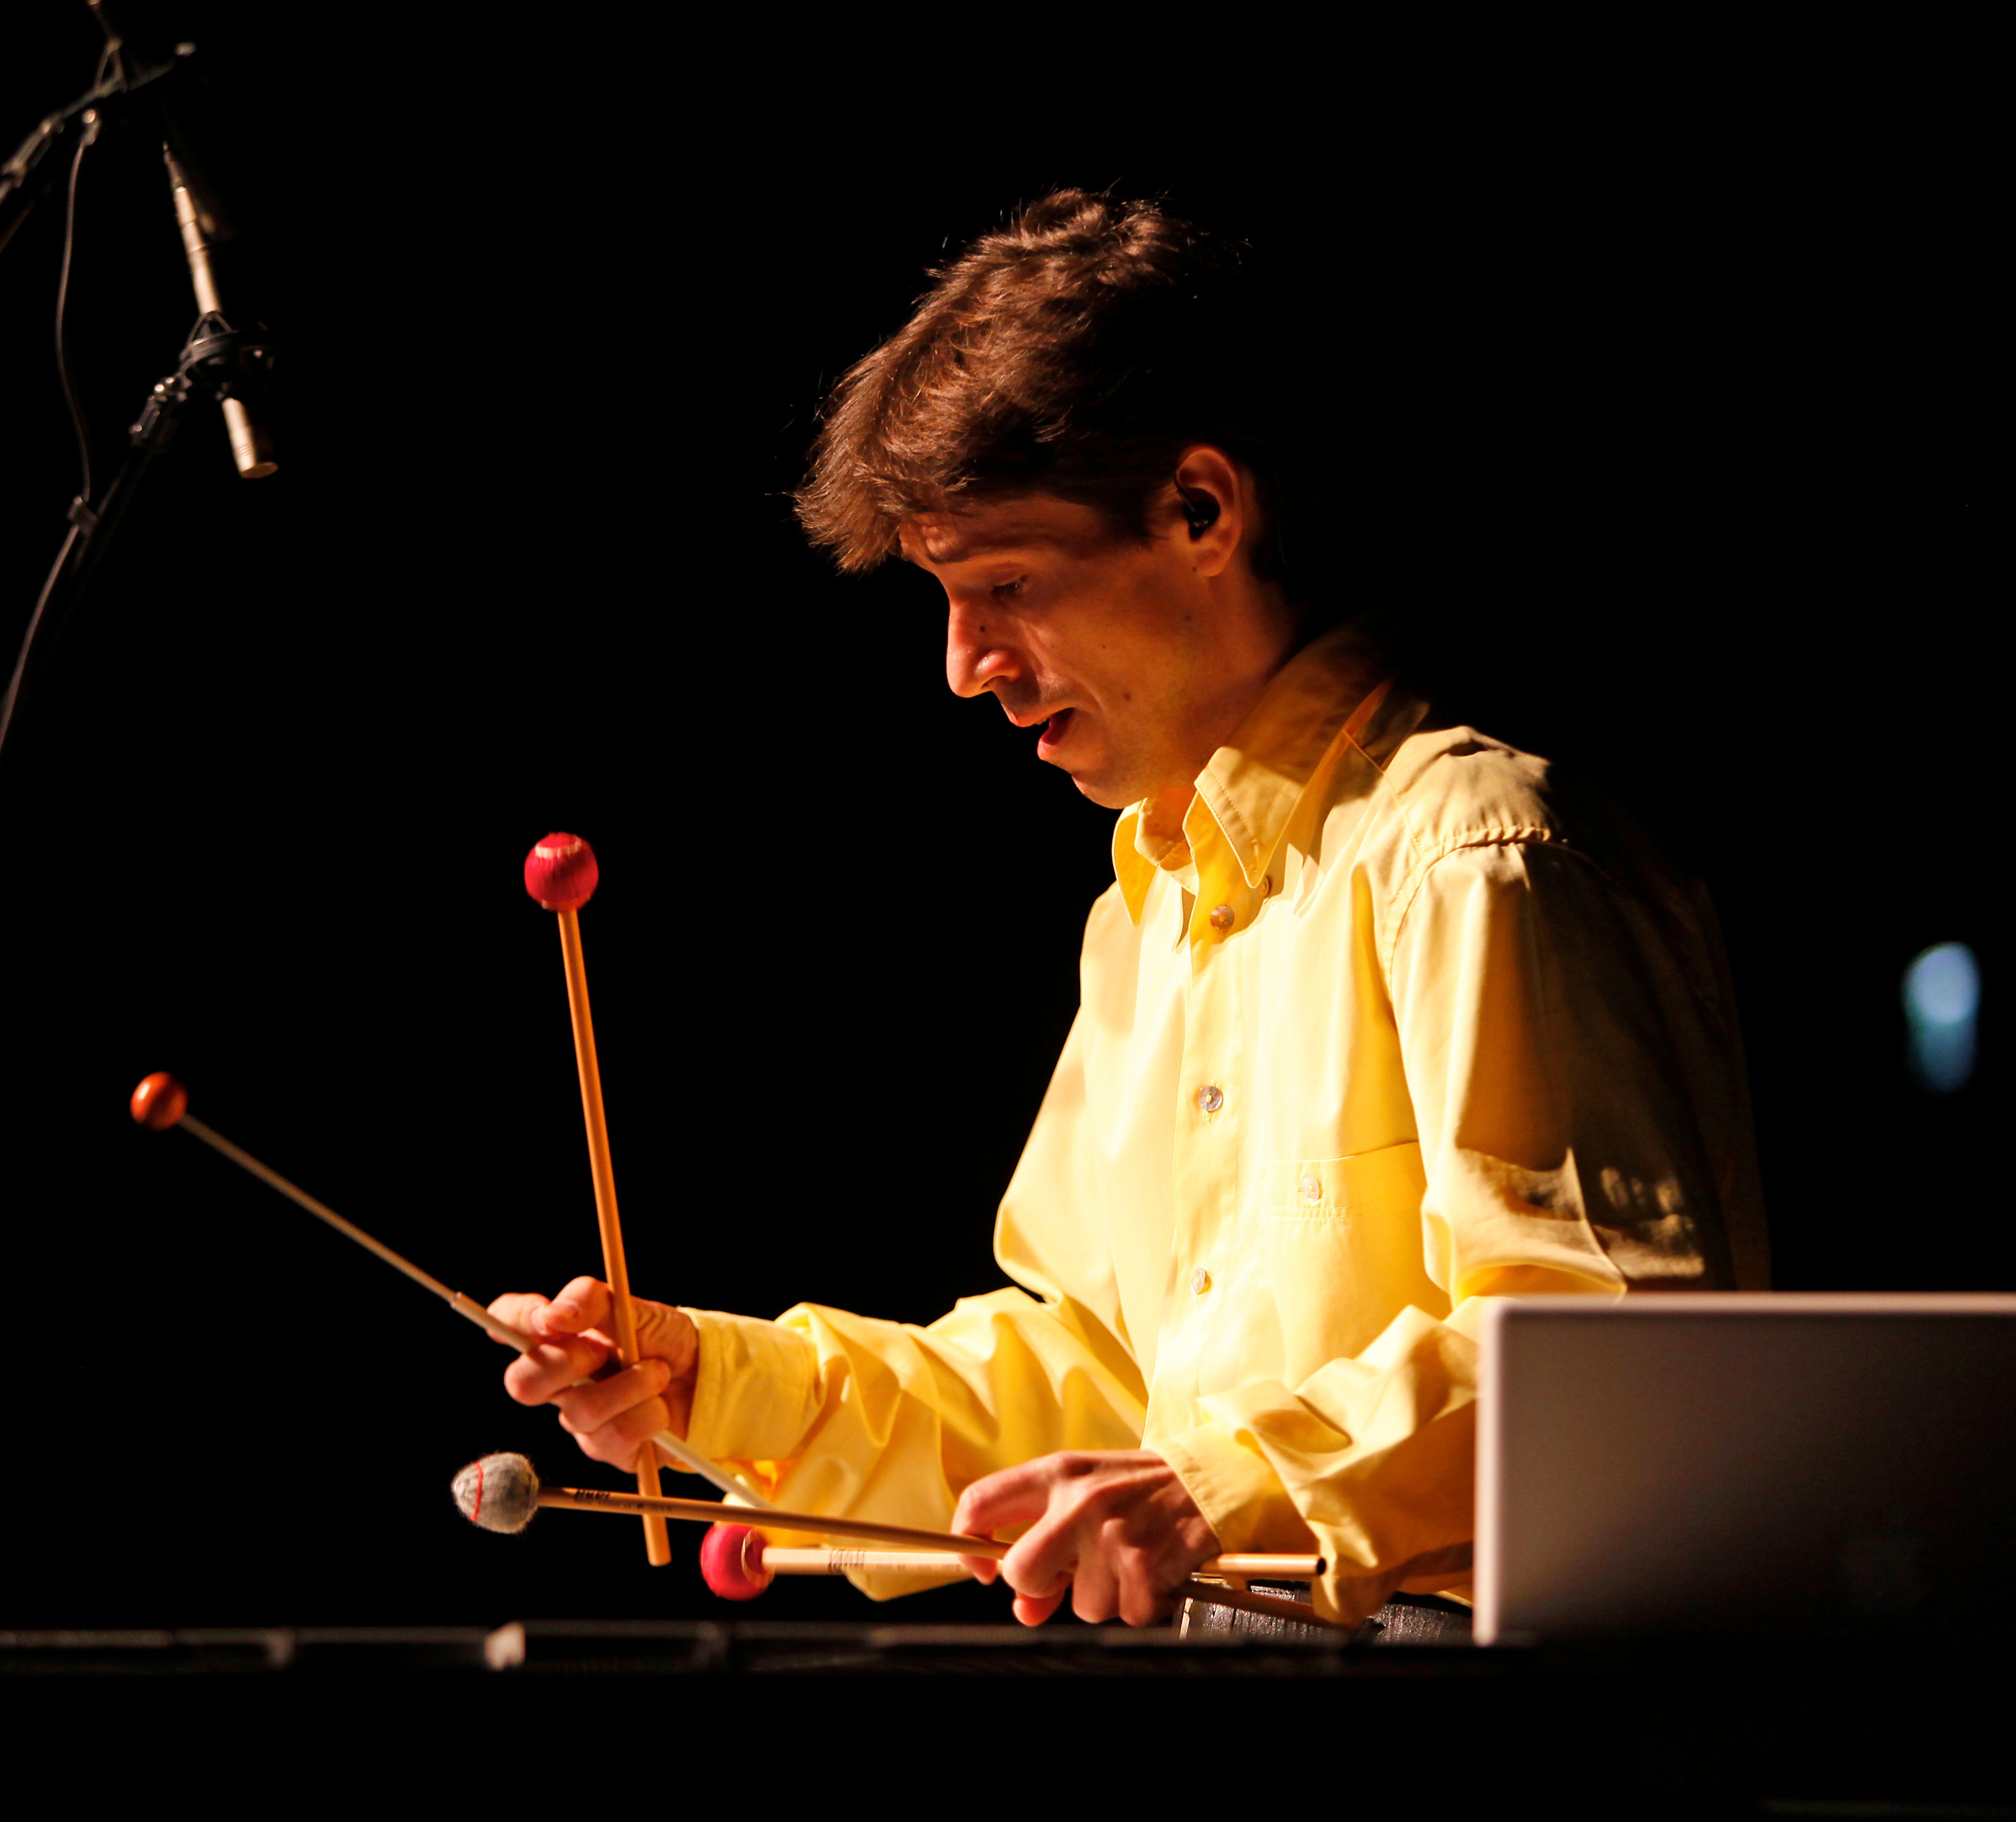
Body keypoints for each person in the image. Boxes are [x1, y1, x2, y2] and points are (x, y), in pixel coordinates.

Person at [492, 193, 1767, 1628]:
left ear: (1200, 511)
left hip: (1482, 1716)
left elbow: (1612, 1362)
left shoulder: (1470, 851)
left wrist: (1212, 1488)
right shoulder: (1147, 912)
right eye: (945, 599)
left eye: (1005, 586)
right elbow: (1090, 1382)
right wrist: (716, 1385)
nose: (965, 665)